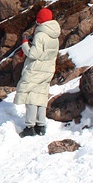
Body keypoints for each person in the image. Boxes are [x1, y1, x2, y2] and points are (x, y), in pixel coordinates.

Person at [14, 7, 61, 137]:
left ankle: (30, 127)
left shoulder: (40, 35)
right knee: (41, 96)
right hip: (47, 69)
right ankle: (41, 125)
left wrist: (25, 44)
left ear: (39, 20)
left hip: (35, 69)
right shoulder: (54, 36)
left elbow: (33, 54)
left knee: (31, 97)